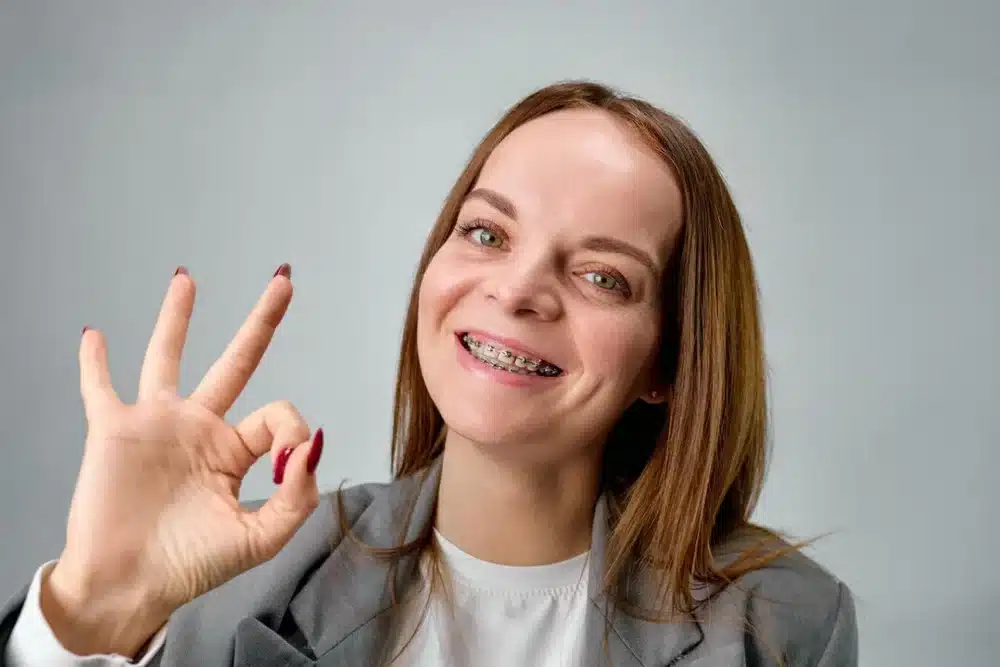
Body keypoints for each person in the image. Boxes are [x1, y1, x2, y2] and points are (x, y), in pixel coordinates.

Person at [0, 80, 857, 666]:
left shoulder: (781, 623)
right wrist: (87, 611)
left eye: (602, 275)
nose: (517, 288)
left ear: (668, 362)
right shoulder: (237, 580)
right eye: (487, 232)